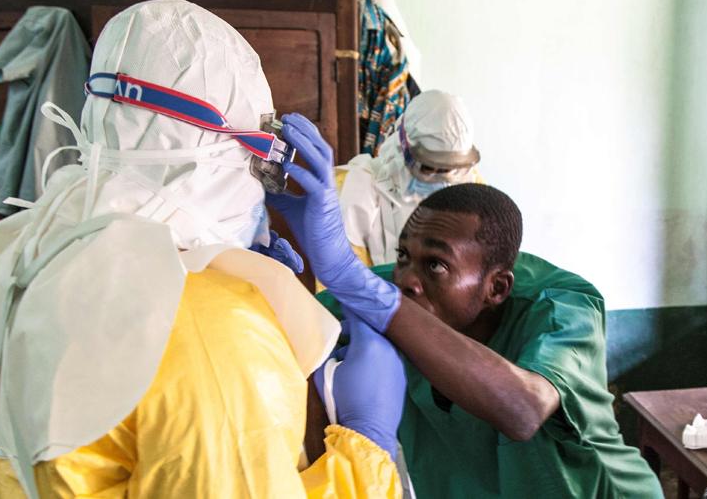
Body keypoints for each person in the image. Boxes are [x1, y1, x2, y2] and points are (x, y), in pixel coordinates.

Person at [0, 0, 404, 499]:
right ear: (228, 152)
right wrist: (367, 449)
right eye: (261, 156)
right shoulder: (217, 332)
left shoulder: (20, 247)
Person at [269, 123, 664, 498]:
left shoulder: (561, 306)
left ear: (497, 287)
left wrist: (351, 278)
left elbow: (524, 410)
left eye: (436, 265)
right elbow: (297, 324)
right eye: (404, 255)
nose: (407, 278)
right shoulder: (403, 290)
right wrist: (269, 280)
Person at [336, 90, 483, 267]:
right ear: (403, 147)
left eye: (452, 170)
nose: (443, 180)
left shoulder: (473, 183)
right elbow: (344, 283)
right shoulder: (357, 191)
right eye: (430, 167)